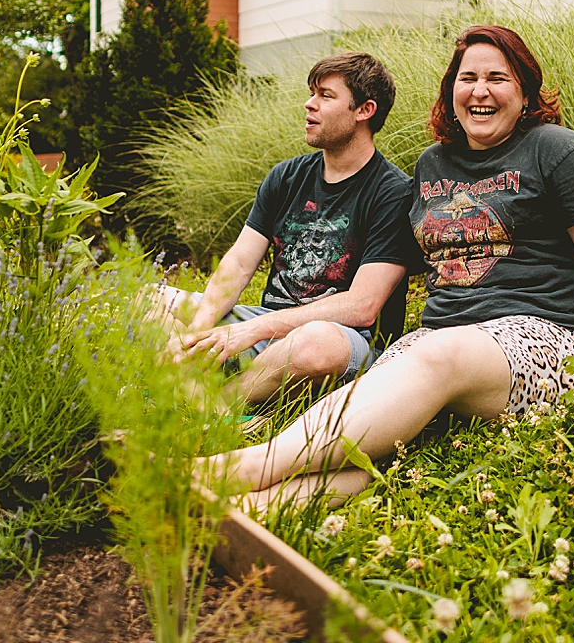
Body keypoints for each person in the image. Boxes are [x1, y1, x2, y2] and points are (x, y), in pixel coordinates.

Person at [207, 25, 574, 504]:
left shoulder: (562, 151)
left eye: (498, 77)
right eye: (467, 77)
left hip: (551, 339)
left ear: (525, 89)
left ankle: (235, 470)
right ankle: (254, 507)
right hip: (441, 343)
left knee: (435, 356)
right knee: (380, 425)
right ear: (451, 90)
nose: (480, 91)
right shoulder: (433, 165)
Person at [157, 52, 420, 404]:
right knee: (154, 301)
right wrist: (197, 330)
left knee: (313, 344)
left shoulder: (393, 193)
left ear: (364, 110)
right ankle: (198, 381)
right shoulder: (286, 176)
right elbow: (238, 263)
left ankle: (221, 405)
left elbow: (363, 306)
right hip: (268, 327)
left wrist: (251, 330)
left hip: (344, 340)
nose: (309, 105)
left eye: (325, 96)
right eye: (312, 93)